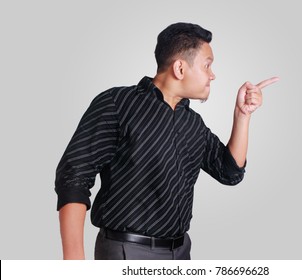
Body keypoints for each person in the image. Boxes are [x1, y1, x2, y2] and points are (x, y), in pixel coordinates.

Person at [55, 22, 279, 260]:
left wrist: (242, 115)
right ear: (180, 68)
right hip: (127, 251)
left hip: (181, 252)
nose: (213, 75)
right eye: (207, 65)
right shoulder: (117, 103)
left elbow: (229, 171)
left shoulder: (193, 123)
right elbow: (74, 177)